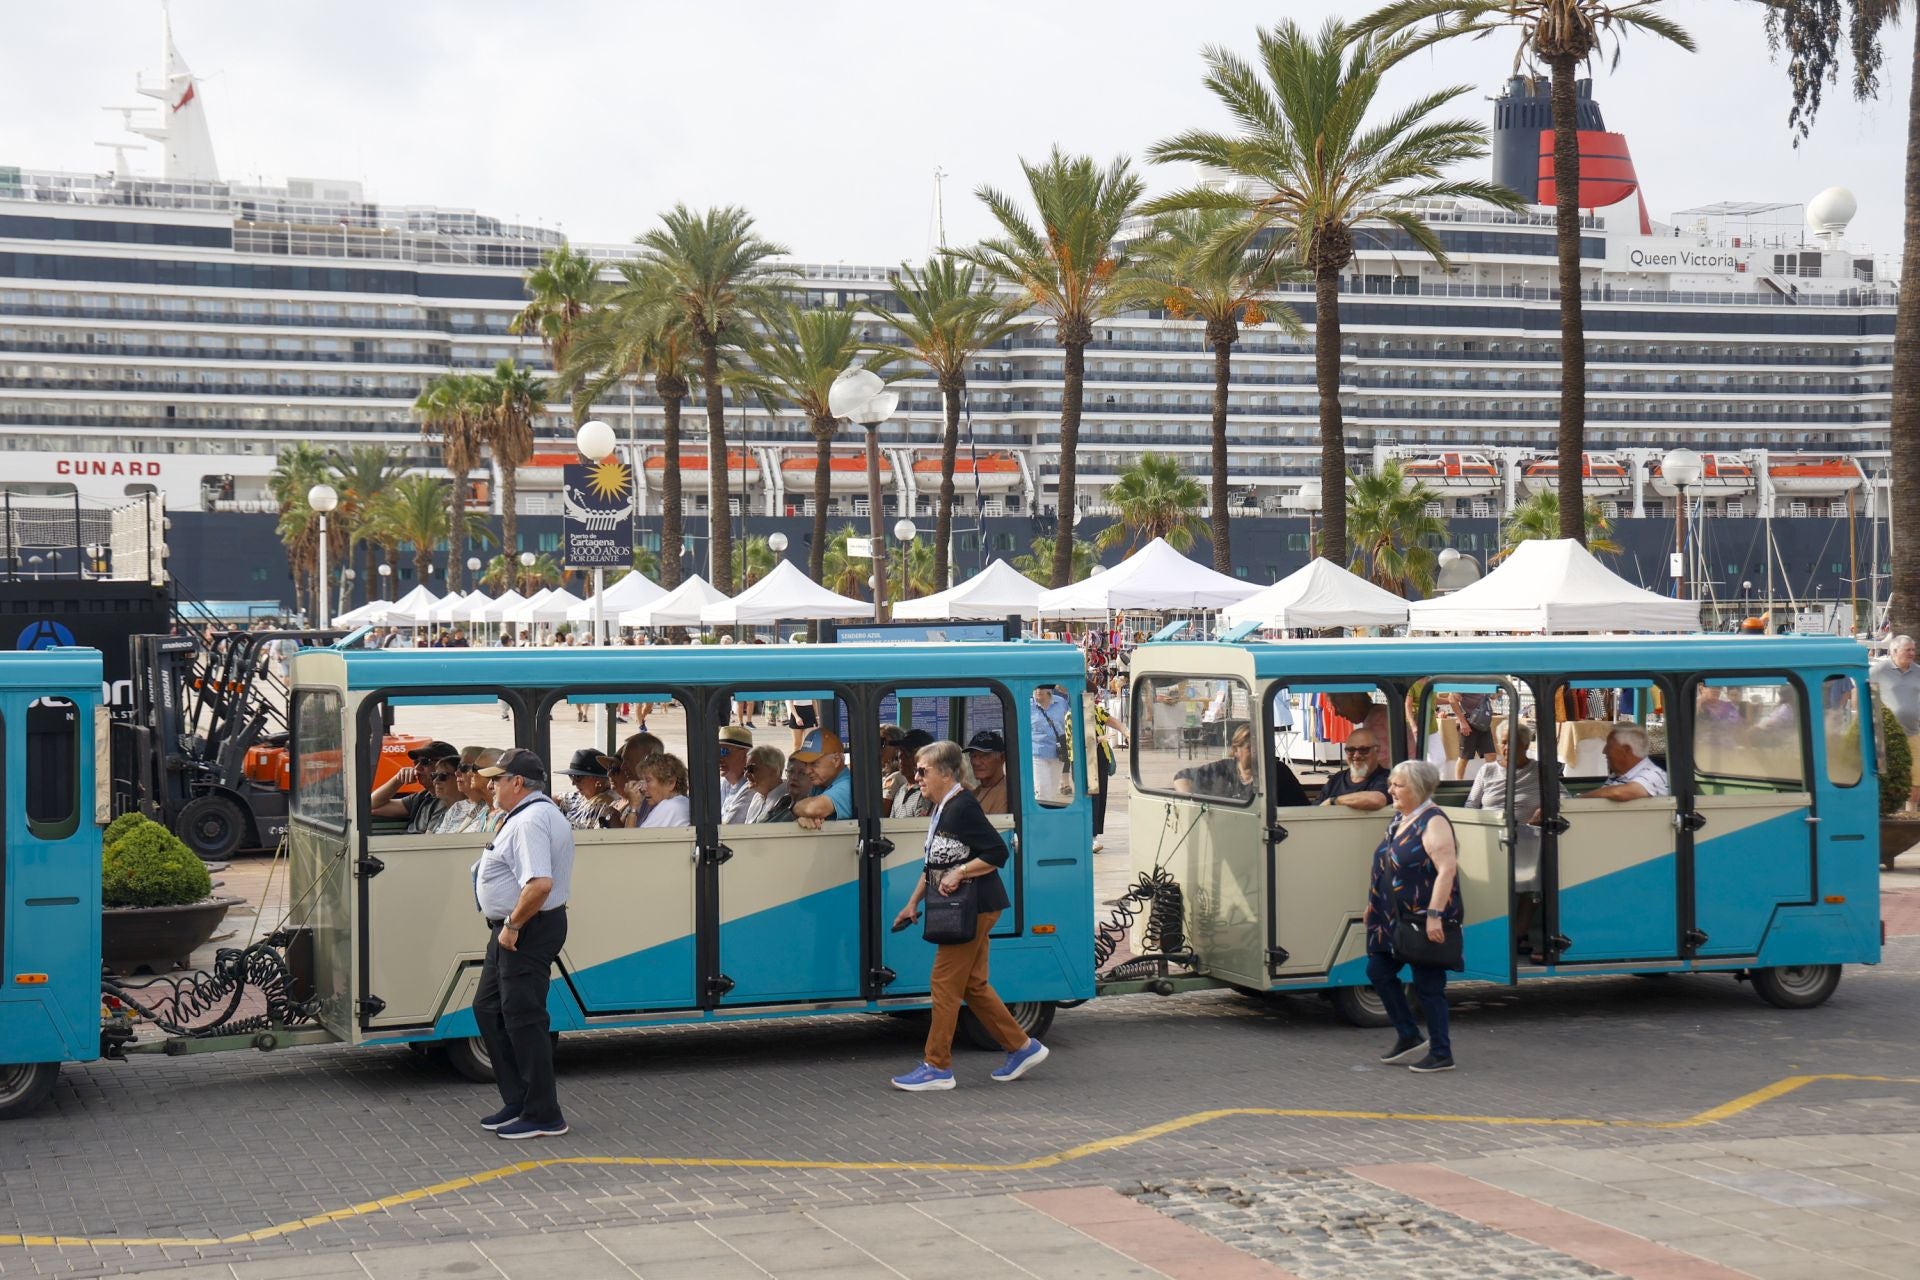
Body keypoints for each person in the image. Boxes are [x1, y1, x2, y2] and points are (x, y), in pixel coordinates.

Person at [888, 739, 1049, 1091]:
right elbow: (934, 863)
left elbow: (997, 852)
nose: (916, 778)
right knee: (973, 985)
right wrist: (913, 902)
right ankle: (1023, 1047)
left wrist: (961, 873)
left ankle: (937, 1066)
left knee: (944, 983)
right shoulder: (943, 807)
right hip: (973, 907)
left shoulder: (963, 807)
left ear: (946, 773)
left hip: (974, 908)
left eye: (923, 771)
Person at [471, 748, 574, 1138]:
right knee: (489, 1008)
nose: (491, 785)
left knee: (524, 1019)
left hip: (525, 928)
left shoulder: (530, 821)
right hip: (516, 927)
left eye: (497, 779)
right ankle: (519, 1100)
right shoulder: (532, 814)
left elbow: (539, 884)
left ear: (517, 783)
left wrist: (512, 925)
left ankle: (544, 1114)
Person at [1365, 760, 1461, 1074]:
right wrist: (1373, 905)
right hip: (1392, 918)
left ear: (1418, 788)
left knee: (1428, 985)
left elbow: (1447, 869)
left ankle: (1441, 1051)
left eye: (1398, 785)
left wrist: (1434, 915)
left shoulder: (1433, 822)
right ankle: (1408, 1034)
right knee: (1378, 970)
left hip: (1422, 919)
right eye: (1391, 783)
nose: (1390, 789)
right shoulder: (1400, 819)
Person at [371, 741, 462, 832]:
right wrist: (398, 780)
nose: (417, 768)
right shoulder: (423, 797)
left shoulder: (452, 801)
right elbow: (372, 805)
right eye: (416, 762)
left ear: (445, 765)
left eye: (425, 762)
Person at [1873, 634, 1920, 808]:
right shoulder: (1879, 670)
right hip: (1888, 735)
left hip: (1914, 732)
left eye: (1913, 650)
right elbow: (1861, 693)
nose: (1912, 653)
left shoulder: (1917, 671)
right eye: (1908, 650)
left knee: (1916, 777)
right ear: (1894, 651)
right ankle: (1891, 813)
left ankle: (1912, 815)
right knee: (1890, 776)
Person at [1174, 723, 1259, 801]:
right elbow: (1182, 777)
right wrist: (1191, 805)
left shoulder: (1266, 776)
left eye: (1259, 747)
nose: (1256, 751)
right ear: (1236, 750)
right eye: (1250, 747)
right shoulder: (1222, 770)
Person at [791, 728, 854, 828]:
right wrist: (806, 817)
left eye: (813, 764)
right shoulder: (822, 783)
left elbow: (812, 809)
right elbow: (809, 812)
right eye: (805, 764)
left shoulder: (847, 785)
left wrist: (797, 808)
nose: (807, 771)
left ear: (836, 760)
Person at [1590, 725, 1669, 800]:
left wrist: (1580, 799)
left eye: (1609, 746)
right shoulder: (1617, 775)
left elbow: (1617, 793)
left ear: (1626, 749)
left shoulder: (1654, 774)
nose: (1604, 751)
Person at [434, 746, 501, 834]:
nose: (470, 773)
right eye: (459, 767)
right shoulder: (459, 807)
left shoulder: (501, 811)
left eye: (465, 767)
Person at [1319, 731, 1391, 810]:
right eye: (1351, 750)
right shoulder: (1336, 779)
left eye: (1363, 750)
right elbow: (1315, 809)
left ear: (1377, 751)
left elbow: (1378, 800)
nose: (1356, 755)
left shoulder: (1387, 778)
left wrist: (1334, 801)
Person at [560, 748, 621, 830]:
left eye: (578, 777)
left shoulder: (606, 806)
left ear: (597, 779)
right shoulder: (581, 797)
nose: (573, 783)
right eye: (571, 776)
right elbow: (558, 798)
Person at [613, 731, 665, 827]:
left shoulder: (663, 801)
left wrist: (633, 808)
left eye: (628, 760)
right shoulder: (642, 796)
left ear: (648, 760)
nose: (622, 767)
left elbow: (629, 840)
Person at [885, 728, 936, 819]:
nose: (900, 755)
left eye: (907, 751)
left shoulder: (926, 792)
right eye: (900, 750)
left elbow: (921, 829)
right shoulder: (900, 791)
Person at [1030, 685, 1070, 798]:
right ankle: (1041, 815)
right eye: (1035, 688)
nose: (1038, 690)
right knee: (1042, 790)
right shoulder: (1028, 704)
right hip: (1037, 753)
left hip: (1058, 753)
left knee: (1052, 791)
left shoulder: (1061, 702)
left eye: (1041, 687)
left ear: (1049, 688)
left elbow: (1071, 720)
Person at [1449, 691, 1497, 781]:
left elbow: (1494, 696)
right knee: (1464, 757)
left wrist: (1496, 692)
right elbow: (1451, 698)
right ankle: (1458, 784)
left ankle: (1491, 783)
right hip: (1467, 721)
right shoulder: (1464, 679)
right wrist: (1462, 722)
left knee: (1491, 755)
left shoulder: (1486, 679)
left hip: (1483, 723)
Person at [637, 754, 692, 828]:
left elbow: (630, 839)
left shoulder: (669, 806)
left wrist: (633, 808)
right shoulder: (685, 802)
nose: (643, 788)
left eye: (648, 780)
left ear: (670, 783)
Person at [964, 730, 1011, 816]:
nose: (976, 762)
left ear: (1002, 758)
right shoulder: (974, 793)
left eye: (984, 755)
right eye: (973, 756)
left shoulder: (1008, 793)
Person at [716, 725, 756, 824]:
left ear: (745, 755)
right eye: (716, 751)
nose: (719, 758)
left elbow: (727, 829)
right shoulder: (723, 783)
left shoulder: (751, 788)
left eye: (723, 751)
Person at [757, 754, 812, 824]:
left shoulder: (811, 811)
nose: (794, 777)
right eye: (791, 772)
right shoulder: (785, 800)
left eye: (802, 773)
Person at [741, 744, 789, 823]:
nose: (745, 774)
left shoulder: (787, 800)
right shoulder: (757, 797)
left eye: (751, 769)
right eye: (745, 769)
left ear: (774, 771)